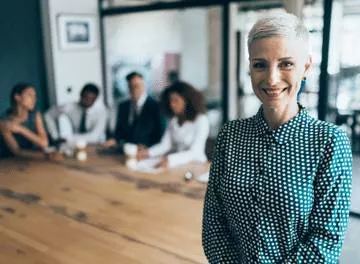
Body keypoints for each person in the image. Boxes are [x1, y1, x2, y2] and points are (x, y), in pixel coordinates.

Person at [202, 13, 352, 263]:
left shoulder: (329, 143)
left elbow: (325, 241)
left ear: (306, 68)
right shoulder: (230, 135)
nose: (271, 78)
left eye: (286, 64)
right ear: (249, 68)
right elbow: (214, 224)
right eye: (260, 64)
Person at [137, 81, 210, 169]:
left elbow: (195, 152)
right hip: (178, 166)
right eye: (170, 101)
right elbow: (165, 145)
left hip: (197, 166)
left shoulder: (201, 120)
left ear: (187, 101)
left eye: (176, 100)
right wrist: (147, 153)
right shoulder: (173, 120)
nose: (172, 104)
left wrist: (170, 159)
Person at [102, 71, 165, 151]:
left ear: (144, 86)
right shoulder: (123, 106)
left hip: (147, 152)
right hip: (126, 151)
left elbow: (161, 135)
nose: (134, 89)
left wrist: (147, 147)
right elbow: (119, 131)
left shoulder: (156, 106)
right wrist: (114, 140)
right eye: (130, 86)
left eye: (137, 86)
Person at [0, 83, 48, 157]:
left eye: (35, 96)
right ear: (17, 97)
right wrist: (44, 155)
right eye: (29, 95)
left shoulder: (35, 115)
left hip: (33, 159)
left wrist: (20, 129)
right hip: (10, 162)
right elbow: (17, 152)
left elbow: (44, 143)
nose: (34, 99)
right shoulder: (4, 122)